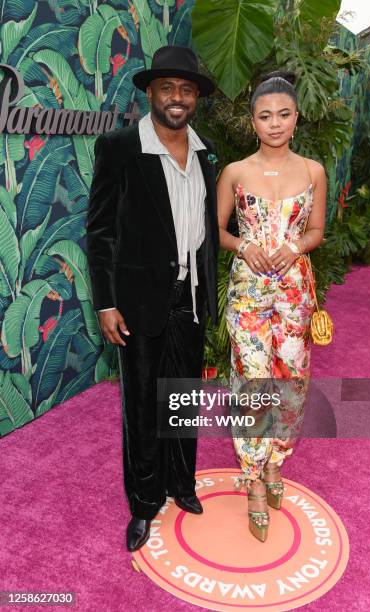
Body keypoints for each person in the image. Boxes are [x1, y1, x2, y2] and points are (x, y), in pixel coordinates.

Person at [86, 46, 219, 551]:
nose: (178, 97)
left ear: (196, 99)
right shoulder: (120, 148)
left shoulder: (205, 155)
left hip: (190, 297)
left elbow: (205, 229)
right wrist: (105, 302)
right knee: (143, 406)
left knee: (182, 399)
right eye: (168, 88)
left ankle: (181, 485)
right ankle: (144, 505)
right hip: (137, 302)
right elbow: (99, 234)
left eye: (187, 89)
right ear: (150, 93)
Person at [217, 70, 326, 542]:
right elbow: (217, 232)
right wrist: (243, 246)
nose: (275, 123)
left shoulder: (314, 171)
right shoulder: (235, 172)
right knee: (251, 381)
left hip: (295, 294)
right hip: (247, 295)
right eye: (265, 116)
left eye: (283, 114)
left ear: (296, 119)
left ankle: (276, 460)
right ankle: (253, 479)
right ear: (253, 121)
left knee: (291, 381)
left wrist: (297, 245)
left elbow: (318, 231)